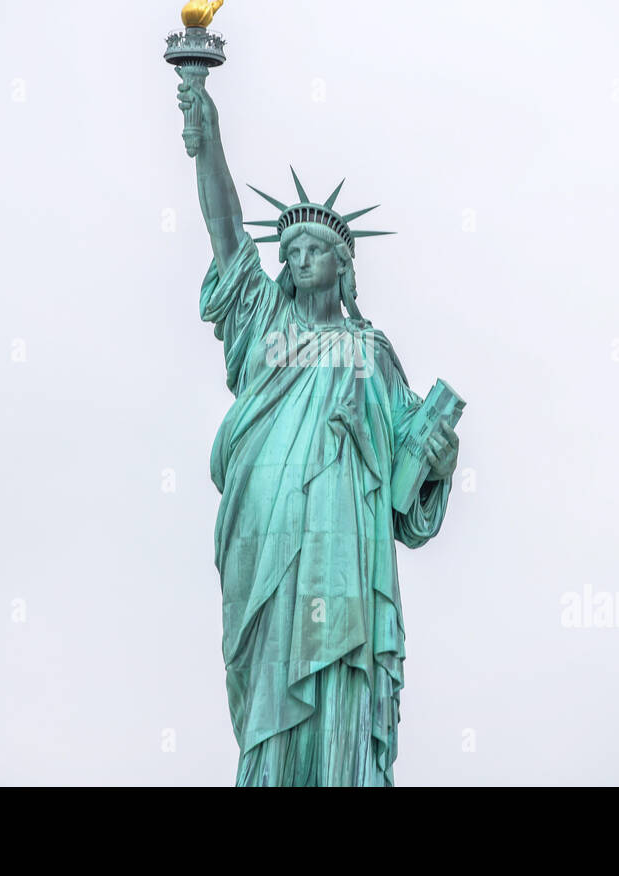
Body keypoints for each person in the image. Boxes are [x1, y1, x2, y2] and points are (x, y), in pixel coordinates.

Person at [176, 68, 459, 786]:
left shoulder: (372, 355)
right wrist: (205, 136)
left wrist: (437, 452)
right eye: (291, 250)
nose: (299, 258)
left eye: (316, 249)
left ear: (344, 264)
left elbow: (406, 485)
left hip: (346, 534)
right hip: (266, 523)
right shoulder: (263, 323)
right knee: (270, 663)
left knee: (340, 672)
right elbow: (224, 230)